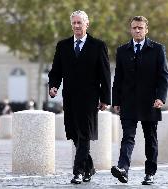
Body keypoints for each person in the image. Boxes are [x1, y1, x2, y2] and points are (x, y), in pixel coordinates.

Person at [48, 10, 111, 184]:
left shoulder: (98, 46)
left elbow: (105, 74)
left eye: (79, 23)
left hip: (90, 99)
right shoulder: (63, 46)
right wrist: (53, 86)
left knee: (84, 135)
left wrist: (105, 98)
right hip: (69, 98)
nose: (76, 26)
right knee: (75, 135)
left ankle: (78, 172)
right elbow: (56, 71)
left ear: (87, 24)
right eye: (74, 23)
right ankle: (89, 167)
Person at [111, 16, 168, 185]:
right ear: (131, 29)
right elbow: (118, 78)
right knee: (127, 137)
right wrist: (116, 101)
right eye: (134, 27)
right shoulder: (122, 50)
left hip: (150, 102)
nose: (137, 30)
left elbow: (163, 76)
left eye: (140, 28)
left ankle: (150, 173)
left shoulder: (158, 49)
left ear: (146, 30)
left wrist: (161, 97)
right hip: (128, 101)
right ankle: (123, 169)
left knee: (150, 139)